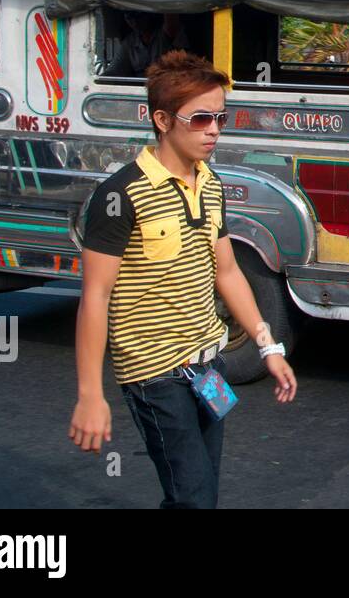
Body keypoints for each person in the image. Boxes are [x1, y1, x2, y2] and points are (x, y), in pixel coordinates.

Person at [69, 50, 297, 509]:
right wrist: (90, 395)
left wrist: (267, 345)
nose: (213, 129)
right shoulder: (121, 194)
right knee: (194, 497)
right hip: (155, 374)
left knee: (198, 492)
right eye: (200, 119)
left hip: (210, 368)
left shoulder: (210, 183)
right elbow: (95, 296)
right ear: (163, 120)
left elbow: (227, 271)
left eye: (220, 118)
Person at [108, 11, 189, 76]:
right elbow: (114, 70)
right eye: (129, 17)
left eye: (139, 16)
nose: (135, 22)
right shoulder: (130, 42)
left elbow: (170, 7)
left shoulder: (165, 34)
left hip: (166, 87)